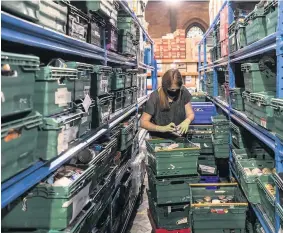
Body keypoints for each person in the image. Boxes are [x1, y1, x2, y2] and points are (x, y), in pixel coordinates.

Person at [141, 69, 195, 138]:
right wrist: (161, 128)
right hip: (159, 139)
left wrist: (187, 121)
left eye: (177, 89)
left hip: (179, 137)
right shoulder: (155, 97)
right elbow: (143, 122)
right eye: (172, 89)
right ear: (165, 86)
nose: (175, 91)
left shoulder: (183, 92)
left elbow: (190, 113)